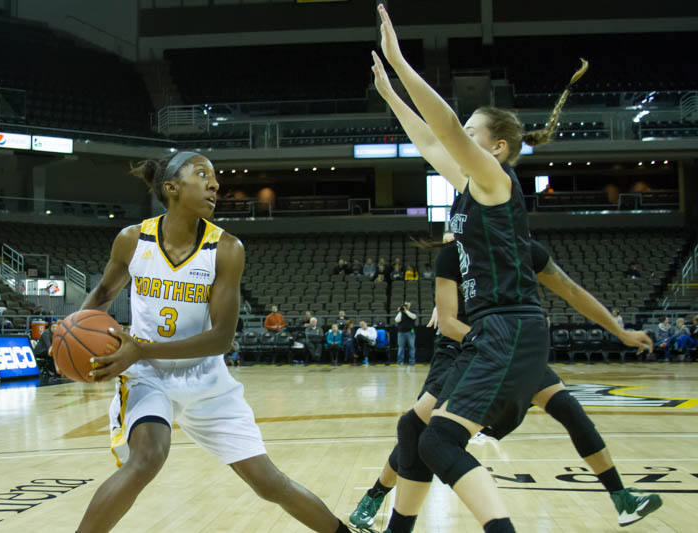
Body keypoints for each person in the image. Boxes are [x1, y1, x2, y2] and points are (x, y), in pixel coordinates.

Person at [371, 6, 590, 530]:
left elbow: (443, 126)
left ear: (497, 147)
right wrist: (390, 97)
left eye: (472, 133)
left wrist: (401, 63)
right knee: (422, 435)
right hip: (494, 328)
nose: (459, 139)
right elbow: (429, 140)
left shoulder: (496, 181)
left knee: (437, 439)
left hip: (507, 326)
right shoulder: (471, 186)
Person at [74, 152, 354, 533]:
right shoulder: (132, 240)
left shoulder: (226, 249)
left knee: (268, 482)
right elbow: (105, 293)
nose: (215, 184)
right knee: (147, 458)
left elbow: (221, 338)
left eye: (216, 178)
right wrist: (72, 331)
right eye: (202, 174)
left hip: (207, 379)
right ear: (172, 187)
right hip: (148, 377)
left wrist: (142, 348)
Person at [351, 234, 661, 531]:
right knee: (416, 427)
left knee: (568, 408)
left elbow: (572, 290)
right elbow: (448, 324)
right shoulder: (456, 253)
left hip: (509, 346)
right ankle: (377, 493)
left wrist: (620, 332)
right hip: (464, 348)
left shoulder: (521, 249)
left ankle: (622, 498)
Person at [395, 301, 417, 365]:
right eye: (405, 305)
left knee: (412, 347)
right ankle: (400, 361)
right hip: (401, 333)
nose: (406, 306)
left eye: (408, 304)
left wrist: (406, 311)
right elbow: (397, 320)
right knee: (401, 347)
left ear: (410, 305)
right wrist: (400, 312)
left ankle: (412, 361)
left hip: (410, 332)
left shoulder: (412, 312)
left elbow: (413, 317)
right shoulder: (401, 313)